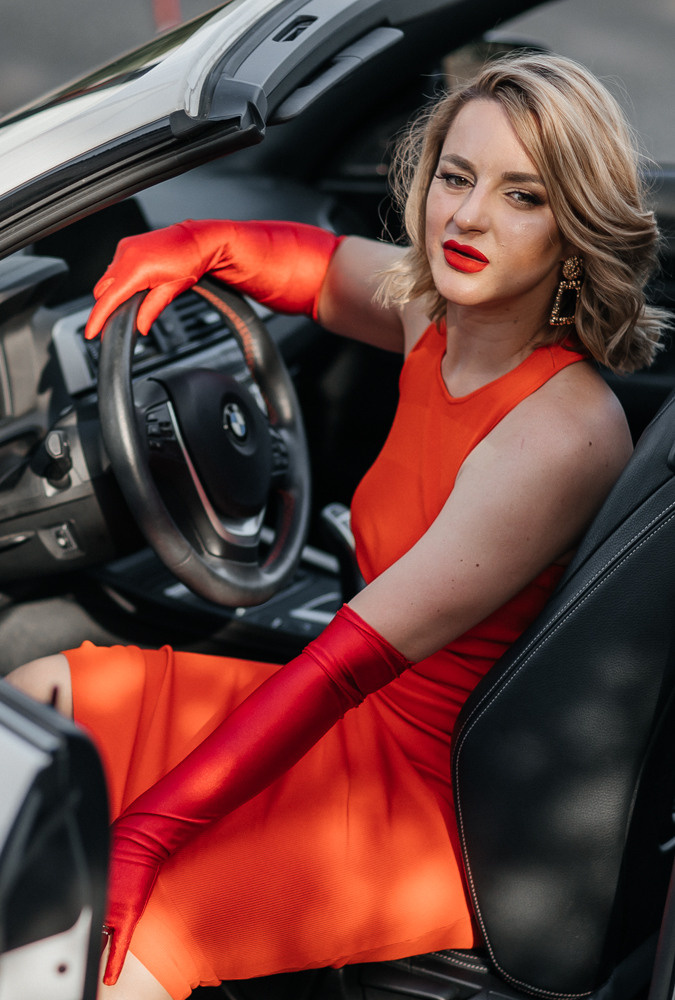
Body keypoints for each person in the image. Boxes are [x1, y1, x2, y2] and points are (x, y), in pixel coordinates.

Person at [5, 52, 669, 1000]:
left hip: (420, 799)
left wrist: (151, 830)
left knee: (120, 960)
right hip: (343, 721)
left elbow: (337, 668)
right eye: (455, 176)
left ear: (575, 229)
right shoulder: (438, 318)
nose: (468, 217)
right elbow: (311, 268)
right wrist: (192, 242)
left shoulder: (558, 432)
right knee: (38, 701)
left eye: (523, 196)